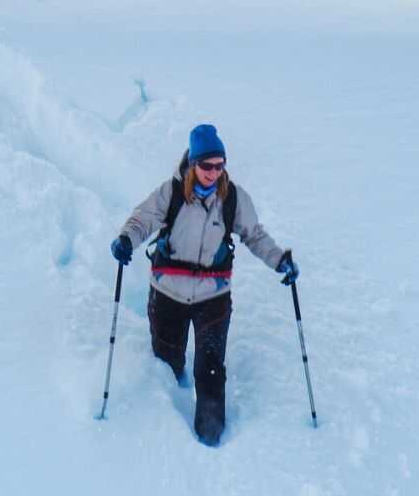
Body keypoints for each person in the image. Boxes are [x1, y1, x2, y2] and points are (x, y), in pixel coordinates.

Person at [109, 123, 298, 446]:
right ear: (193, 164)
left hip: (214, 295)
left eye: (219, 165)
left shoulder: (233, 198)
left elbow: (254, 235)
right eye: (207, 165)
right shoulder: (171, 193)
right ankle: (167, 424)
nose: (214, 172)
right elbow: (143, 220)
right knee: (167, 362)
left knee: (210, 366)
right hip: (168, 292)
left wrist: (280, 260)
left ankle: (210, 434)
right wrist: (126, 239)